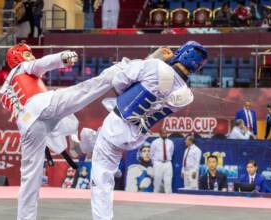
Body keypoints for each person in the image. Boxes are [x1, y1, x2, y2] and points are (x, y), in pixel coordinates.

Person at [0, 42, 121, 220]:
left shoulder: (4, 89)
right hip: (42, 105)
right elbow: (40, 64)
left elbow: (17, 106)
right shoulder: (22, 67)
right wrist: (62, 58)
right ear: (18, 57)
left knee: (30, 178)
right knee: (84, 91)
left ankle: (25, 218)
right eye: (27, 54)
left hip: (28, 125)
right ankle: (120, 71)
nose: (31, 57)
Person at [89, 41, 208, 220]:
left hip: (118, 123)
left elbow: (119, 82)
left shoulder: (155, 66)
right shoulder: (187, 96)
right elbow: (168, 85)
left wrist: (153, 58)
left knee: (100, 180)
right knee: (104, 154)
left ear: (181, 54)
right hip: (136, 134)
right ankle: (97, 147)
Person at [150, 128, 174, 193]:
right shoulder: (155, 142)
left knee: (168, 181)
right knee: (157, 182)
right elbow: (151, 154)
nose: (165, 134)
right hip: (158, 163)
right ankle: (155, 197)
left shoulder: (170, 142)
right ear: (160, 134)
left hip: (168, 163)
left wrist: (166, 160)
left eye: (166, 133)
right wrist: (155, 163)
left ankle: (169, 198)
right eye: (163, 133)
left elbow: (171, 153)